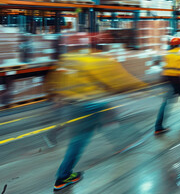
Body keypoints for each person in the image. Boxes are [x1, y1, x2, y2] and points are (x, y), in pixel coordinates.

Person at [47, 53, 146, 191]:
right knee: (81, 138)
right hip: (90, 104)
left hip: (73, 104)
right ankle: (63, 176)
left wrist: (57, 98)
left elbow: (55, 80)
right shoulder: (99, 61)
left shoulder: (70, 59)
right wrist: (139, 87)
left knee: (100, 123)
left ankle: (122, 141)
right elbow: (118, 79)